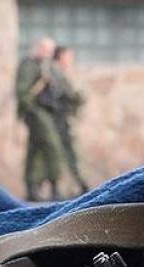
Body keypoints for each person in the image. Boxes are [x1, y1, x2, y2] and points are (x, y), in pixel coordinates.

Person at [15, 37, 67, 201]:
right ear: (38, 48)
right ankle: (54, 187)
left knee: (35, 150)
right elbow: (22, 92)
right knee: (52, 146)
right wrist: (33, 111)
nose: (48, 53)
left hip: (46, 111)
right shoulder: (29, 65)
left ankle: (33, 188)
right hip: (36, 112)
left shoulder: (45, 66)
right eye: (45, 49)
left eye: (50, 50)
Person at [51, 45, 89, 192]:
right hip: (62, 119)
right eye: (68, 56)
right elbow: (67, 95)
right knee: (71, 152)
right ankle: (81, 184)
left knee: (70, 152)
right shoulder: (55, 73)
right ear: (61, 57)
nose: (70, 60)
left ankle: (77, 184)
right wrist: (79, 96)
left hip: (65, 118)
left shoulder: (60, 73)